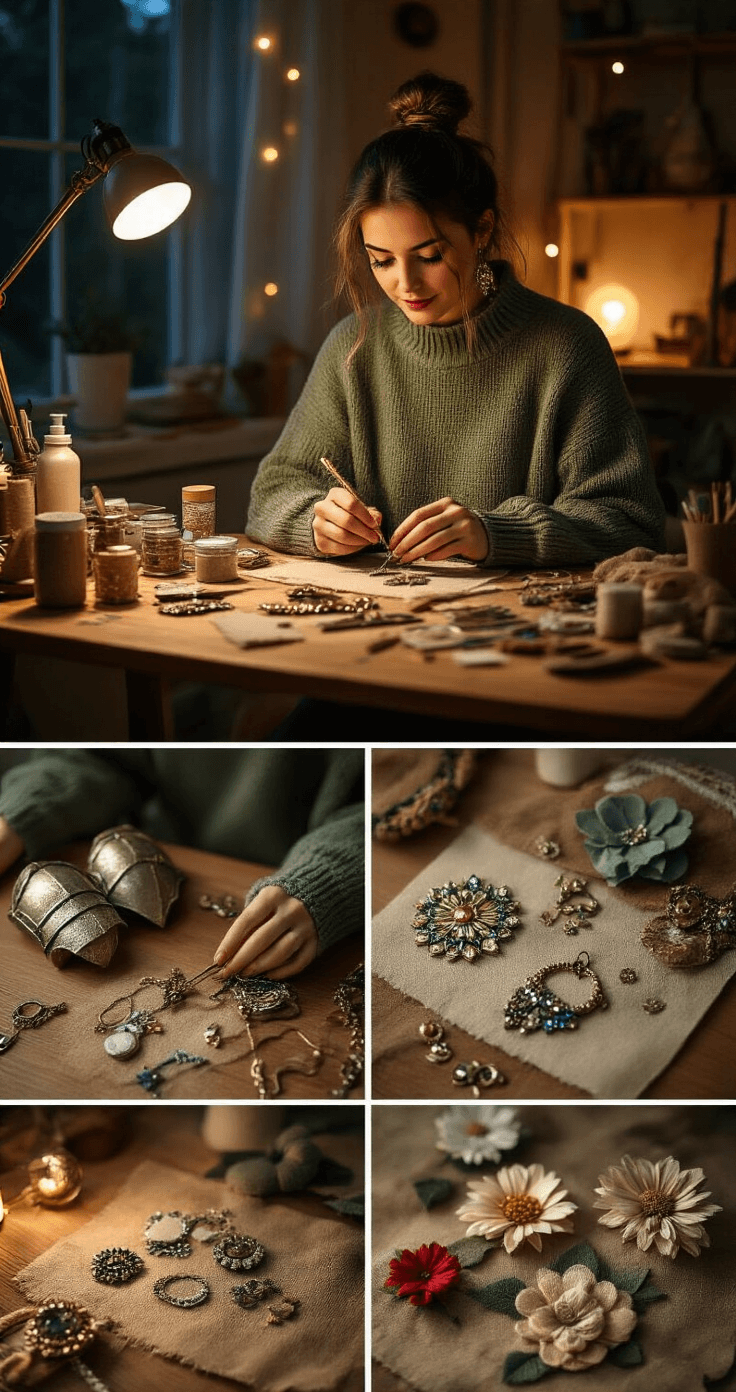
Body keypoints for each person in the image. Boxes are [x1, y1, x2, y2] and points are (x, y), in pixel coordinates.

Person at [246, 71, 665, 568]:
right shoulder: (353, 346)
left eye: (428, 255)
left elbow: (630, 521)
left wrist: (495, 534)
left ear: (482, 230)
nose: (406, 284)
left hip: (516, 635)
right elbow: (271, 492)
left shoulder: (566, 345)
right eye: (381, 260)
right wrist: (315, 519)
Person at [0, 748, 364, 979]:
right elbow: (101, 755)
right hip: (159, 851)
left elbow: (392, 803)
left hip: (288, 897)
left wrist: (327, 878)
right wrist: (20, 815)